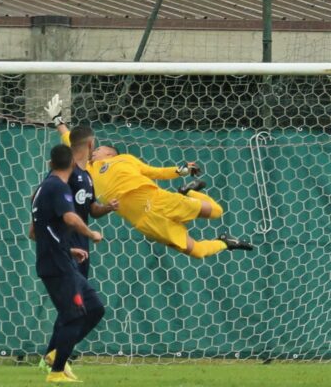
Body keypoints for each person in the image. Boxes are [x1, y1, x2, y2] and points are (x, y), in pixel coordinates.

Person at [45, 94, 253, 259]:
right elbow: (69, 139)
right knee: (197, 252)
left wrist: (181, 171)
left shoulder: (126, 160)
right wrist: (57, 120)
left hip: (158, 200)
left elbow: (156, 172)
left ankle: (188, 191)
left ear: (110, 153)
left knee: (216, 211)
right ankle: (225, 242)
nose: (95, 150)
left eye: (100, 148)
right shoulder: (86, 169)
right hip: (144, 221)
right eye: (94, 147)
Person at [37, 122, 118, 374]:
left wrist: (108, 207)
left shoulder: (87, 176)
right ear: (91, 145)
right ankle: (55, 360)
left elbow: (91, 209)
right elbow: (47, 204)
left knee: (75, 307)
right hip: (65, 248)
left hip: (80, 249)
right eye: (99, 148)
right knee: (76, 307)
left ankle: (53, 356)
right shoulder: (64, 176)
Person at [30, 144, 106, 383]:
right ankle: (56, 372)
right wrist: (91, 233)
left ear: (50, 163)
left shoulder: (43, 188)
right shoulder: (57, 187)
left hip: (63, 259)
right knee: (74, 315)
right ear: (72, 164)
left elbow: (35, 232)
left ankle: (57, 353)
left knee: (94, 308)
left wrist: (68, 248)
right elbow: (71, 217)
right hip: (57, 265)